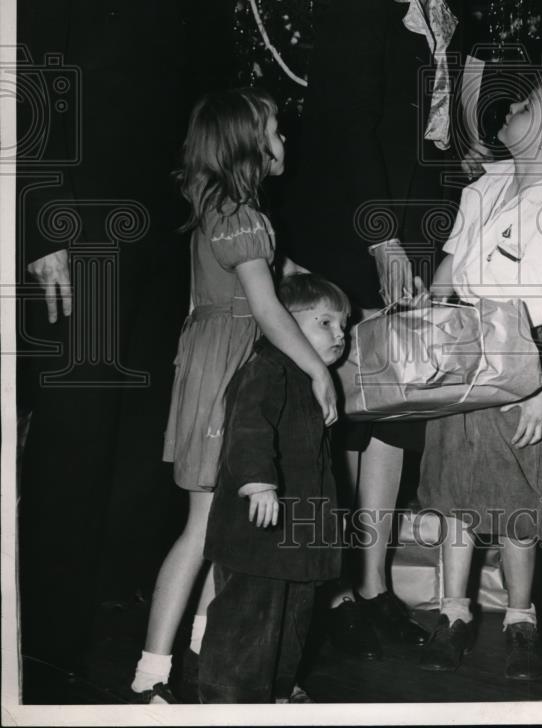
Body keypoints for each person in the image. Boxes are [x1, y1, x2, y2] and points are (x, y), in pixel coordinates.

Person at [280, 0, 516, 658]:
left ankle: (373, 588)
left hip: (403, 235)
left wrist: (460, 169)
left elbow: (422, 138)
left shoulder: (444, 18)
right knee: (334, 413)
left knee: (397, 414)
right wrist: (381, 243)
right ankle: (315, 594)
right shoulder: (360, 2)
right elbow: (346, 134)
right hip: (351, 232)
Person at [16, 0, 192, 680]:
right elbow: (30, 91)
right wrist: (42, 226)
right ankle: (47, 637)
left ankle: (125, 616)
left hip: (157, 241)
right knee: (77, 431)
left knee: (141, 432)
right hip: (78, 240)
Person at [130, 88, 337, 702]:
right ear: (248, 142)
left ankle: (204, 655)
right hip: (228, 362)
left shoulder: (220, 204)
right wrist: (316, 371)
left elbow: (258, 277)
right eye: (274, 129)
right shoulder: (239, 212)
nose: (284, 139)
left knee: (223, 527)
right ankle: (152, 673)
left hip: (213, 355)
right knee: (204, 530)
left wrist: (291, 270)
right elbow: (267, 309)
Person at [417, 73, 542, 680]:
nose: (509, 106)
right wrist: (425, 323)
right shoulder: (486, 186)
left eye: (526, 106)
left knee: (515, 505)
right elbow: (450, 266)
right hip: (458, 364)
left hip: (518, 375)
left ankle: (521, 619)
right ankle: (454, 613)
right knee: (453, 495)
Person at [198, 272, 349, 703]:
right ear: (282, 321)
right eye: (325, 322)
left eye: (343, 326)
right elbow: (248, 426)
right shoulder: (268, 367)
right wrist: (257, 482)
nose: (341, 334)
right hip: (257, 532)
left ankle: (279, 689)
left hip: (298, 538)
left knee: (292, 619)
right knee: (247, 618)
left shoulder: (312, 382)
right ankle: (229, 701)